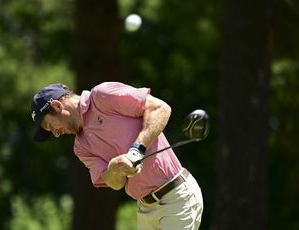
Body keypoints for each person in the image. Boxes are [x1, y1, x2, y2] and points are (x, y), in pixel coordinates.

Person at [31, 82, 203, 230]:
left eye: (49, 125)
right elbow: (114, 183)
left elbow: (160, 108)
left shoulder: (102, 96)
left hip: (176, 196)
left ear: (57, 106)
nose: (55, 134)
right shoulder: (81, 147)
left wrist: (137, 149)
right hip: (145, 209)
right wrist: (116, 167)